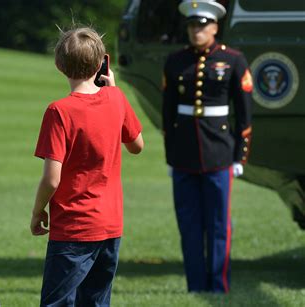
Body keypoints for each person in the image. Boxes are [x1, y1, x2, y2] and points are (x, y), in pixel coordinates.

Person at [30, 27, 144, 306]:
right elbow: (136, 145)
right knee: (95, 301)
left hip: (73, 226)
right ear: (101, 62)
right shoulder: (116, 98)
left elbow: (52, 179)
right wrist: (113, 91)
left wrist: (37, 211)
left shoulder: (59, 111)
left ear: (59, 65)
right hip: (110, 224)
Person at [162, 0, 253, 293]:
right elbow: (169, 114)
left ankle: (218, 286)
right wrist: (170, 155)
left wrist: (240, 154)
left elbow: (244, 114)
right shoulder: (175, 61)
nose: (196, 31)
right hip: (184, 155)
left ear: (214, 27)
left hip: (219, 154)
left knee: (217, 225)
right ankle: (195, 286)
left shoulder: (234, 61)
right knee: (189, 226)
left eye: (201, 26)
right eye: (191, 25)